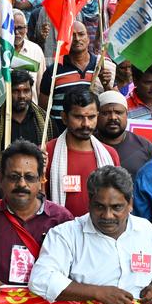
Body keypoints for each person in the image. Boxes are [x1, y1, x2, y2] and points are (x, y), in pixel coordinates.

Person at [29, 166, 152, 304]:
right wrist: (98, 293)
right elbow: (41, 280)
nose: (107, 215)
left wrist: (151, 289)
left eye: (116, 207)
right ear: (89, 203)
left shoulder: (146, 231)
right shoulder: (65, 235)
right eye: (99, 207)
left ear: (130, 204)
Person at [0, 141, 73, 289]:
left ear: (41, 179)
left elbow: (74, 271)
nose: (22, 184)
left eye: (29, 177)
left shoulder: (62, 219)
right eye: (14, 176)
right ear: (1, 179)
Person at [45, 89, 120, 217]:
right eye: (78, 117)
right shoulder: (47, 153)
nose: (86, 124)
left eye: (91, 117)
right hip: (60, 230)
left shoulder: (109, 154)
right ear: (64, 117)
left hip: (100, 230)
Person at [40, 21, 114, 123]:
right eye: (72, 35)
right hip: (60, 134)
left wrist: (106, 86)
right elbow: (43, 110)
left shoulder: (103, 66)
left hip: (94, 133)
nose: (77, 39)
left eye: (81, 34)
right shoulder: (53, 71)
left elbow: (115, 103)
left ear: (88, 38)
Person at [0, 70, 46, 166]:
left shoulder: (44, 121)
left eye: (26, 91)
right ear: (7, 92)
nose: (22, 96)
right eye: (16, 91)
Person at [95, 90, 152, 177]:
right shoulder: (87, 145)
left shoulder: (145, 146)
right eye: (106, 113)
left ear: (127, 115)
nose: (113, 117)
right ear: (97, 115)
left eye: (118, 112)